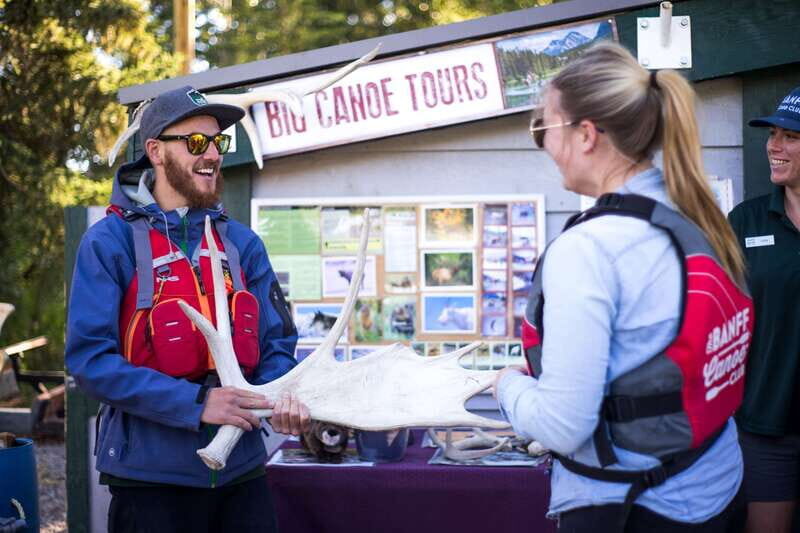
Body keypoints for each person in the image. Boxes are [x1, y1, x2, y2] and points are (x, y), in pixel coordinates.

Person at [493, 42, 752, 532]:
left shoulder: (589, 249)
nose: (544, 145)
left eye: (542, 128)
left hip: (636, 508)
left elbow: (561, 426)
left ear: (586, 134)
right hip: (717, 482)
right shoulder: (698, 215)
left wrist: (507, 386)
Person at [65, 85, 310, 533]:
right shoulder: (108, 242)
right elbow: (89, 361)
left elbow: (278, 344)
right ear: (156, 151)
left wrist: (279, 397)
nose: (212, 154)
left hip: (242, 473)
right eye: (197, 142)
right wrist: (196, 403)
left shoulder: (242, 244)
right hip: (151, 482)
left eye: (219, 142)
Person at [727, 86, 800, 533]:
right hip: (766, 424)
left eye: (790, 135)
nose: (774, 146)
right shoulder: (745, 222)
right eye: (772, 133)